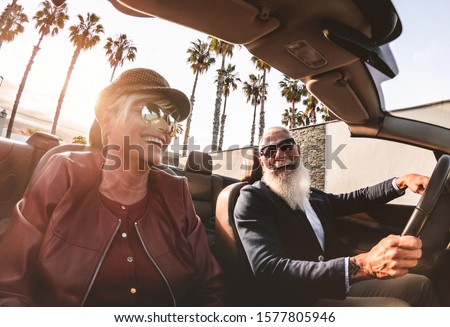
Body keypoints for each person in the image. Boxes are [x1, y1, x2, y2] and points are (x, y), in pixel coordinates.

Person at [0, 68, 225, 306]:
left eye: (170, 120)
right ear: (107, 120)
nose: (164, 128)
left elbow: (211, 289)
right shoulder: (64, 173)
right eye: (151, 112)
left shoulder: (177, 193)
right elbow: (9, 287)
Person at [234, 126, 439, 306]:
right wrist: (361, 264)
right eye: (269, 151)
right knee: (396, 310)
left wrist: (402, 181)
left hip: (334, 286)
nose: (279, 155)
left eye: (287, 146)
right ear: (262, 163)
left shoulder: (313, 196)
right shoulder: (253, 198)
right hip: (298, 301)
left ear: (298, 151)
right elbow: (269, 269)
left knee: (421, 285)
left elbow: (359, 198)